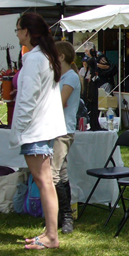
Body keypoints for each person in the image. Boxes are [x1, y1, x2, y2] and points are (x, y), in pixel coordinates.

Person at [11, 13, 66, 250]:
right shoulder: (43, 56)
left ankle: (52, 236)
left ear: (26, 31)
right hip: (41, 127)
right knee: (44, 182)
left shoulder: (35, 59)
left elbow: (27, 100)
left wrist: (18, 130)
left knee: (44, 182)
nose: (16, 34)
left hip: (35, 129)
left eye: (18, 29)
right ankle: (49, 231)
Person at [51, 41, 81, 234]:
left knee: (53, 174)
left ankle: (62, 216)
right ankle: (65, 217)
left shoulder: (71, 77)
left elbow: (59, 102)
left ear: (61, 57)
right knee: (60, 173)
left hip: (63, 130)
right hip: (55, 128)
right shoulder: (62, 77)